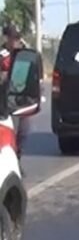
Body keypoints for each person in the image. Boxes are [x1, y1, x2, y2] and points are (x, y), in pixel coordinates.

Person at [1, 25, 29, 157]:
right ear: (6, 38)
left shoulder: (23, 54)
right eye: (13, 38)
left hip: (21, 100)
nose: (16, 41)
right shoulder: (2, 55)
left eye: (18, 38)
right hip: (5, 102)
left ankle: (17, 156)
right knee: (9, 134)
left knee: (24, 132)